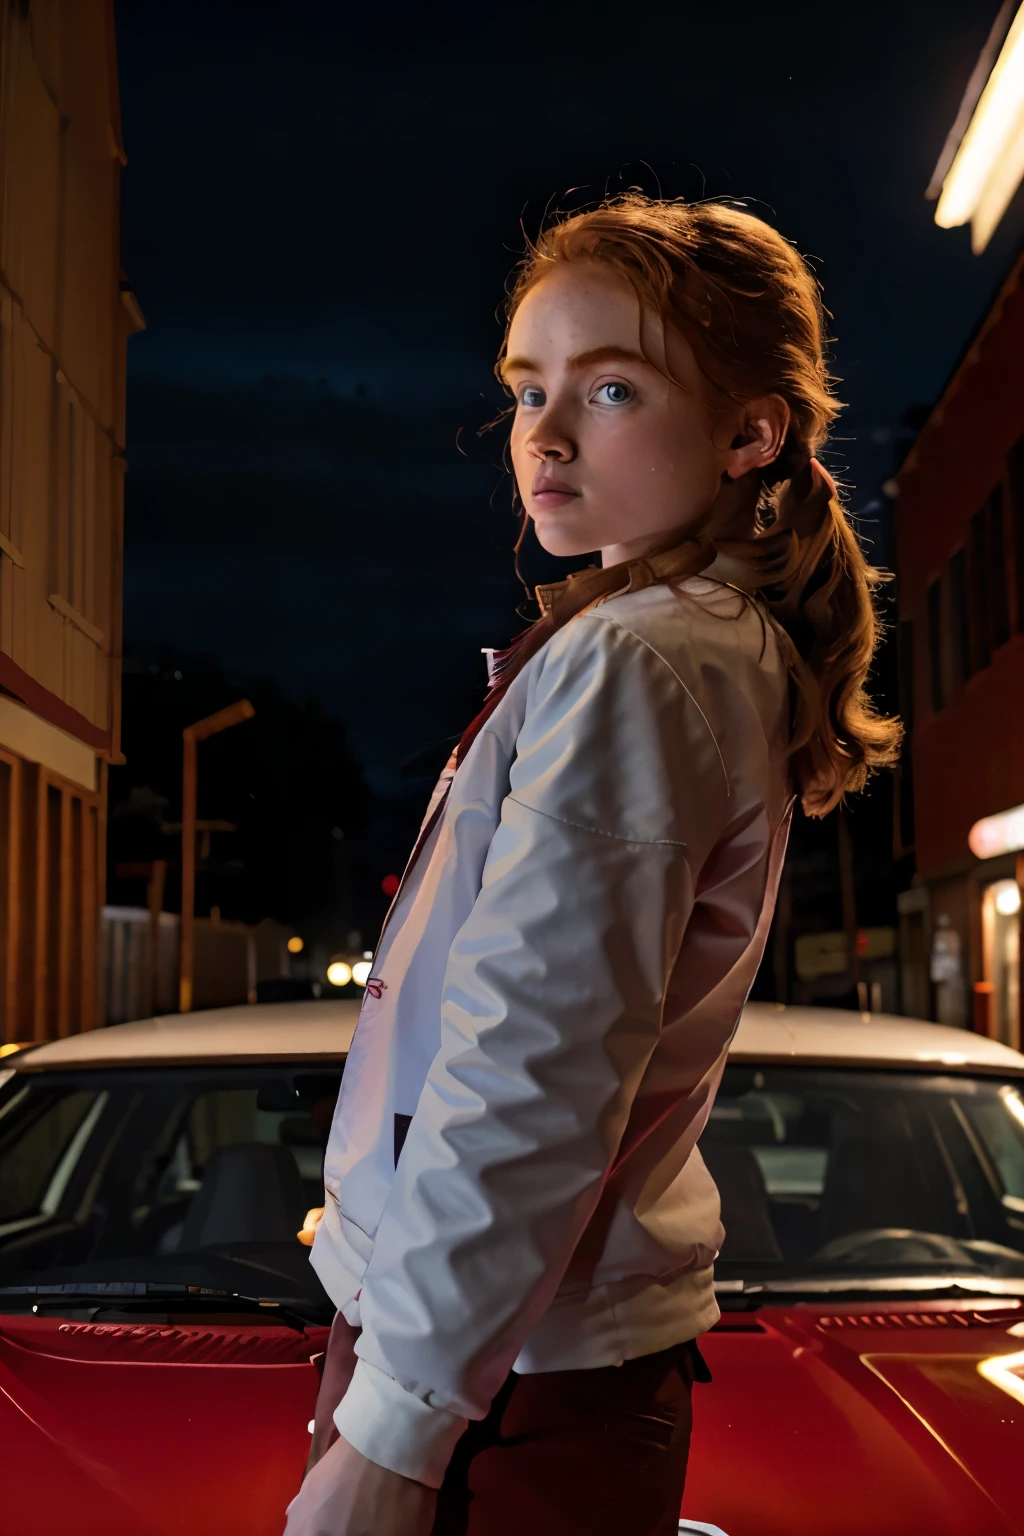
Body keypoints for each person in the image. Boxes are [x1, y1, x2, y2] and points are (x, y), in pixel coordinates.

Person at [283, 193, 900, 1536]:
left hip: (502, 1379)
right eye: (527, 390)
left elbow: (534, 1064)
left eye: (610, 387)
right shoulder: (664, 644)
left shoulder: (646, 660)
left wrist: (396, 1433)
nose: (545, 436)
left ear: (751, 433)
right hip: (507, 1354)